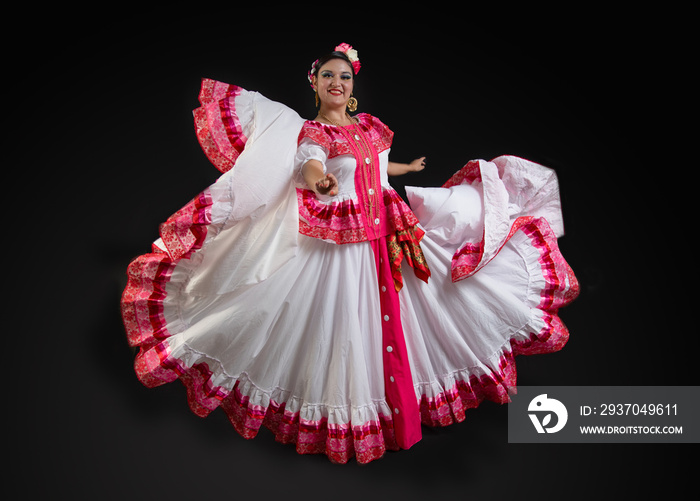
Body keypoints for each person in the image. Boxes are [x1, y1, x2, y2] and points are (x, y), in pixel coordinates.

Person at [121, 43, 579, 464]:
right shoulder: (314, 134)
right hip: (343, 239)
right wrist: (319, 180)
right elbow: (310, 165)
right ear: (315, 84)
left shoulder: (367, 127)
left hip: (389, 229)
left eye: (345, 77)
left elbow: (376, 165)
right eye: (328, 77)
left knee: (432, 300)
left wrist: (405, 168)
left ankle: (406, 399)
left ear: (352, 87)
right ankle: (352, 409)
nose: (337, 84)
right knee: (341, 322)